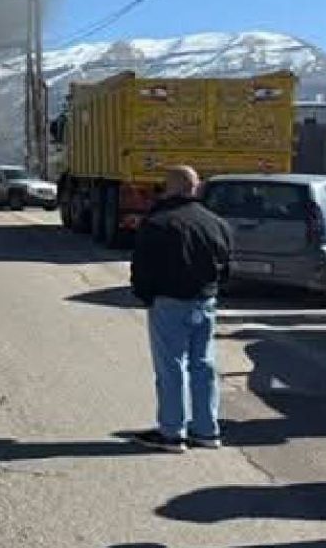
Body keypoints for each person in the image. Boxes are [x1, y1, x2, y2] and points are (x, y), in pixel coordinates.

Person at [130, 165, 233, 453]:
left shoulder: (157, 222)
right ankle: (206, 430)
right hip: (205, 302)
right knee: (204, 366)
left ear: (169, 187)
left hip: (169, 302)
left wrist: (144, 295)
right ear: (195, 188)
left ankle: (172, 433)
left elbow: (142, 267)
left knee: (171, 367)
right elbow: (225, 266)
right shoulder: (216, 223)